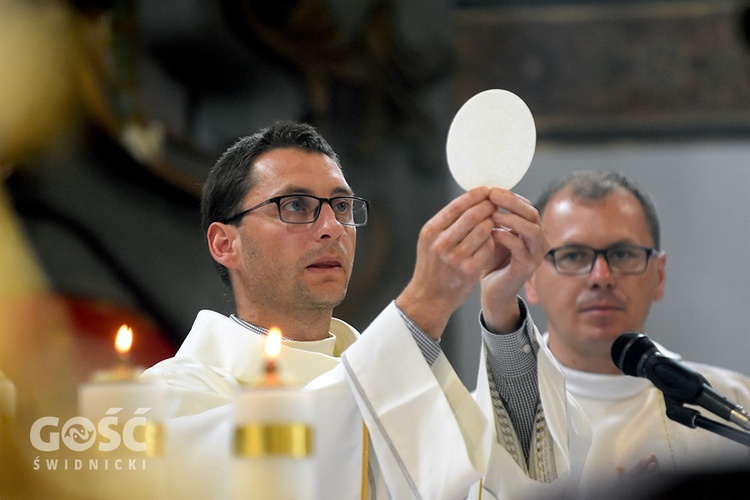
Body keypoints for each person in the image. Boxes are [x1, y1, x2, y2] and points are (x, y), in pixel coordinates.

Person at [141, 120, 573, 499]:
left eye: (342, 206)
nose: (331, 228)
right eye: (295, 206)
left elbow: (517, 484)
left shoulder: (406, 382)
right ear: (225, 243)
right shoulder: (167, 400)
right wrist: (423, 306)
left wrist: (502, 315)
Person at [519, 170, 750, 496]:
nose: (600, 277)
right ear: (531, 278)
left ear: (658, 275)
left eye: (623, 254)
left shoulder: (738, 406)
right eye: (573, 255)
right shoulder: (485, 424)